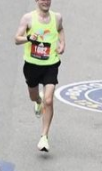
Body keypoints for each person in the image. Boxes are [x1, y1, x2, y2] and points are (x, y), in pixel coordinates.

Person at [14, 0, 64, 153]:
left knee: (49, 100)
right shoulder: (28, 18)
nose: (46, 2)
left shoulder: (57, 18)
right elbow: (16, 39)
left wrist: (62, 43)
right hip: (32, 65)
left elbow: (61, 29)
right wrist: (29, 38)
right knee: (34, 96)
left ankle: (44, 137)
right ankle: (37, 101)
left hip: (50, 64)